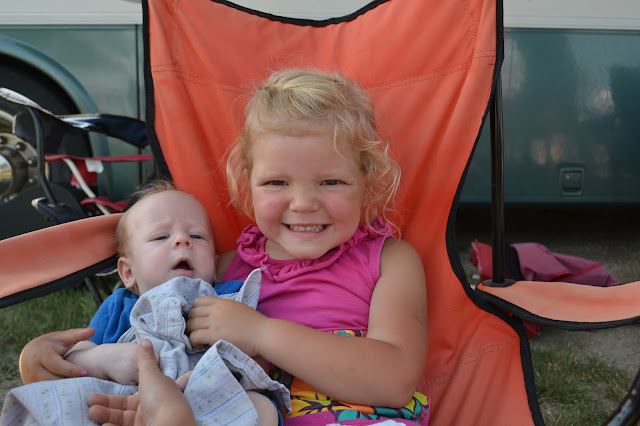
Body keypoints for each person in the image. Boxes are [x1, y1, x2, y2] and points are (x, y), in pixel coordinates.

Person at [19, 68, 429, 425]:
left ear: (367, 183)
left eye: (331, 182)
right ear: (247, 183)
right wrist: (40, 358)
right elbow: (142, 331)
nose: (304, 203)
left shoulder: (387, 261)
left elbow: (393, 381)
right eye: (277, 182)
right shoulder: (222, 268)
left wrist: (260, 333)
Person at [15, 181, 282, 426]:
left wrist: (217, 375)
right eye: (160, 237)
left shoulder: (229, 296)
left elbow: (260, 363)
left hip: (212, 404)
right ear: (128, 272)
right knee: (68, 403)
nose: (182, 240)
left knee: (263, 408)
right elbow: (75, 359)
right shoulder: (120, 306)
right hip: (127, 406)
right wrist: (103, 358)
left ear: (214, 262)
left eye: (197, 236)